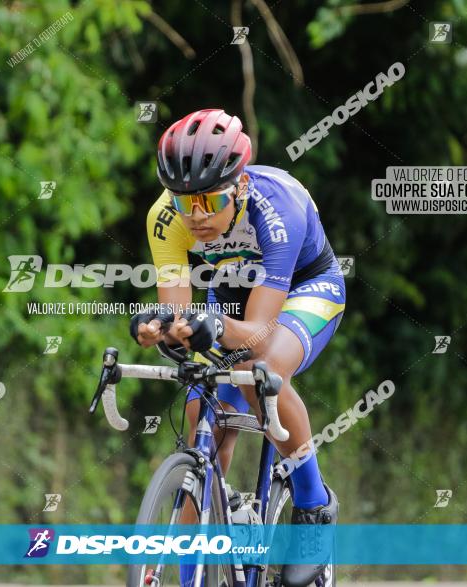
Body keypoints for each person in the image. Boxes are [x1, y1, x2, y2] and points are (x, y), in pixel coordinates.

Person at [129, 109, 345, 587]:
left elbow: (259, 332)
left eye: (210, 198)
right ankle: (200, 554)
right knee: (197, 411)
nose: (198, 215)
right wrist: (158, 327)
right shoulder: (165, 219)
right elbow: (178, 315)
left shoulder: (278, 206)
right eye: (186, 202)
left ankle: (313, 510)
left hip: (303, 289)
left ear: (240, 184)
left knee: (261, 368)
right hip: (228, 296)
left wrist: (210, 325)